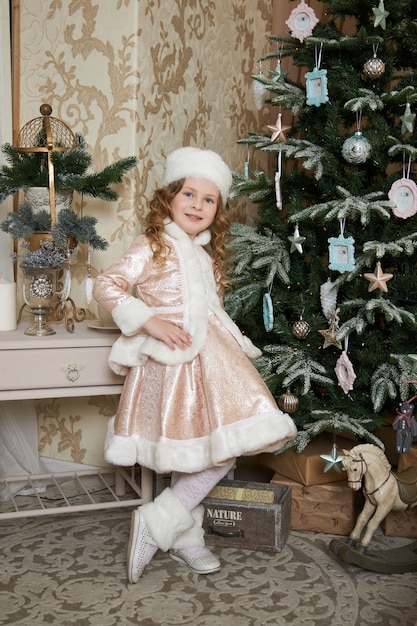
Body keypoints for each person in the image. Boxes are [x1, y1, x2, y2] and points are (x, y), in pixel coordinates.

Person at [93, 147, 297, 584]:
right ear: (169, 197)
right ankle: (181, 529)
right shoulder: (151, 245)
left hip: (215, 361)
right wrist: (148, 321)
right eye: (188, 193)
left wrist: (237, 346)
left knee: (217, 448)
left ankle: (167, 520)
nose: (197, 205)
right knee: (195, 446)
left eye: (209, 200)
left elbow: (212, 310)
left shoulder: (206, 254)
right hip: (173, 364)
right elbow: (107, 285)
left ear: (217, 210)